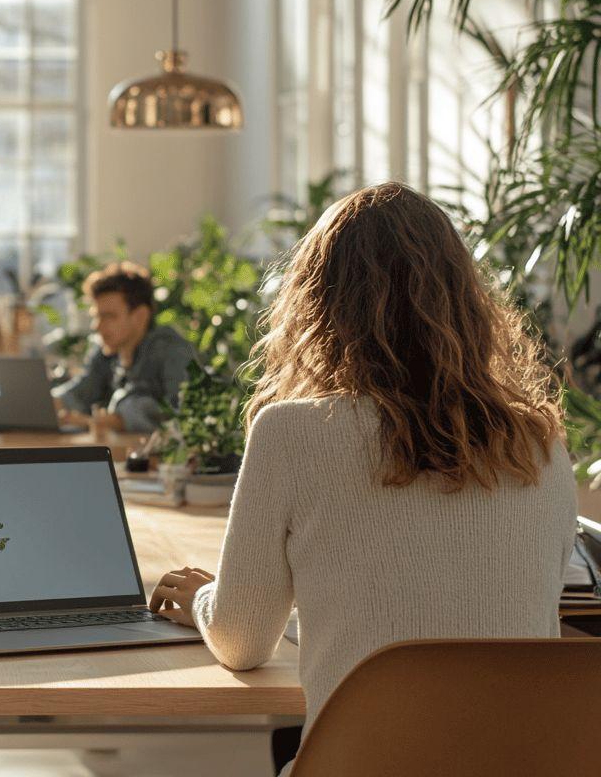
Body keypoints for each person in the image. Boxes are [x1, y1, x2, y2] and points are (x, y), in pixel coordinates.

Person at [148, 183, 576, 775]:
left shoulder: (293, 432)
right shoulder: (541, 445)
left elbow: (242, 642)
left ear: (321, 304)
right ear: (466, 300)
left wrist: (201, 597)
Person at [52, 261, 196, 434]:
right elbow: (80, 392)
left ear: (140, 316)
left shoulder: (172, 352)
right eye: (96, 316)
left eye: (108, 316)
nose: (97, 326)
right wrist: (43, 403)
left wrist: (111, 421)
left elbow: (186, 418)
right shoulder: (107, 349)